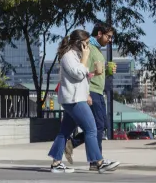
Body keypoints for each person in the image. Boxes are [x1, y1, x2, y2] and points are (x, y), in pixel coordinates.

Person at [47, 30, 118, 174]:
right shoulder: (68, 57)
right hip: (74, 100)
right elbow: (78, 74)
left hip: (77, 97)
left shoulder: (76, 56)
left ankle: (56, 162)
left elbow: (82, 77)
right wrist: (85, 58)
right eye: (86, 43)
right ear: (79, 43)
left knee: (64, 132)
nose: (87, 47)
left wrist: (93, 75)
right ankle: (99, 162)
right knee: (91, 129)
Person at [71, 24, 117, 157]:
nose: (110, 40)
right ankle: (96, 160)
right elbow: (82, 70)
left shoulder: (97, 50)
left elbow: (95, 72)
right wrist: (86, 93)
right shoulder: (88, 48)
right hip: (92, 91)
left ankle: (72, 143)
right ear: (99, 33)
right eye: (108, 37)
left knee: (101, 126)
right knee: (97, 126)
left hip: (98, 91)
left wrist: (107, 71)